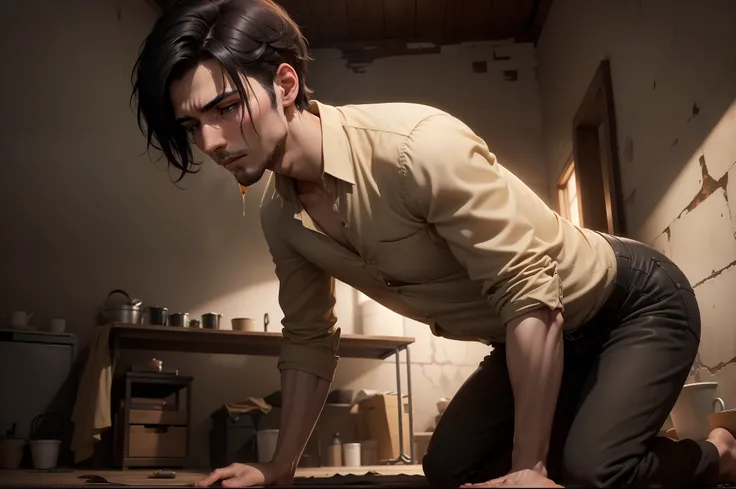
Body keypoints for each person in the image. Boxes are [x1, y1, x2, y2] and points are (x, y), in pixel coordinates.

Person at [130, 0, 736, 487]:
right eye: (191, 125)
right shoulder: (278, 218)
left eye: (227, 107)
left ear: (285, 83)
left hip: (631, 304)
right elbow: (310, 336)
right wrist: (278, 468)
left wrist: (530, 467)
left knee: (590, 471)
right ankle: (595, 428)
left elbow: (530, 290)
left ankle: (715, 451)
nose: (209, 141)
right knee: (449, 470)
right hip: (530, 333)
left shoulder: (415, 147)